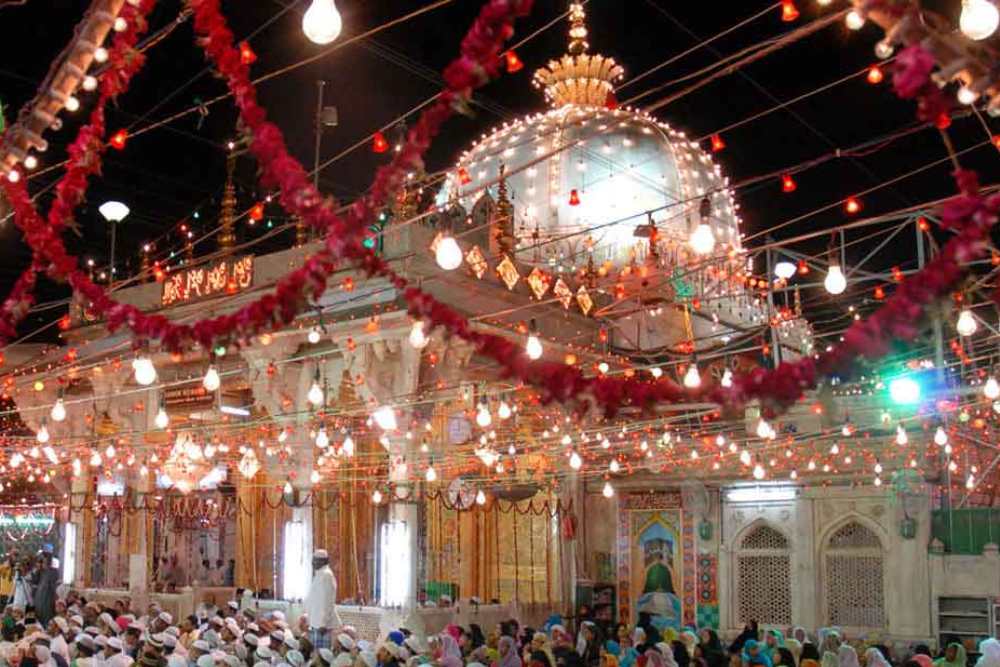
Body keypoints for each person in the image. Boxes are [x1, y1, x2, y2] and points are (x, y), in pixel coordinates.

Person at [304, 550, 340, 651]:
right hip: (316, 623)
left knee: (321, 655)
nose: (313, 563)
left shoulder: (327, 575)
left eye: (316, 560)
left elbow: (327, 602)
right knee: (316, 653)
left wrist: (323, 623)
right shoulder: (320, 574)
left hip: (322, 625)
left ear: (324, 561)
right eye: (313, 560)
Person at [34, 553, 58, 626]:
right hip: (38, 599)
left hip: (47, 600)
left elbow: (53, 587)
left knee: (46, 619)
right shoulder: (40, 572)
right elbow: (34, 582)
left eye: (44, 561)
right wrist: (38, 570)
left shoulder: (53, 571)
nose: (42, 563)